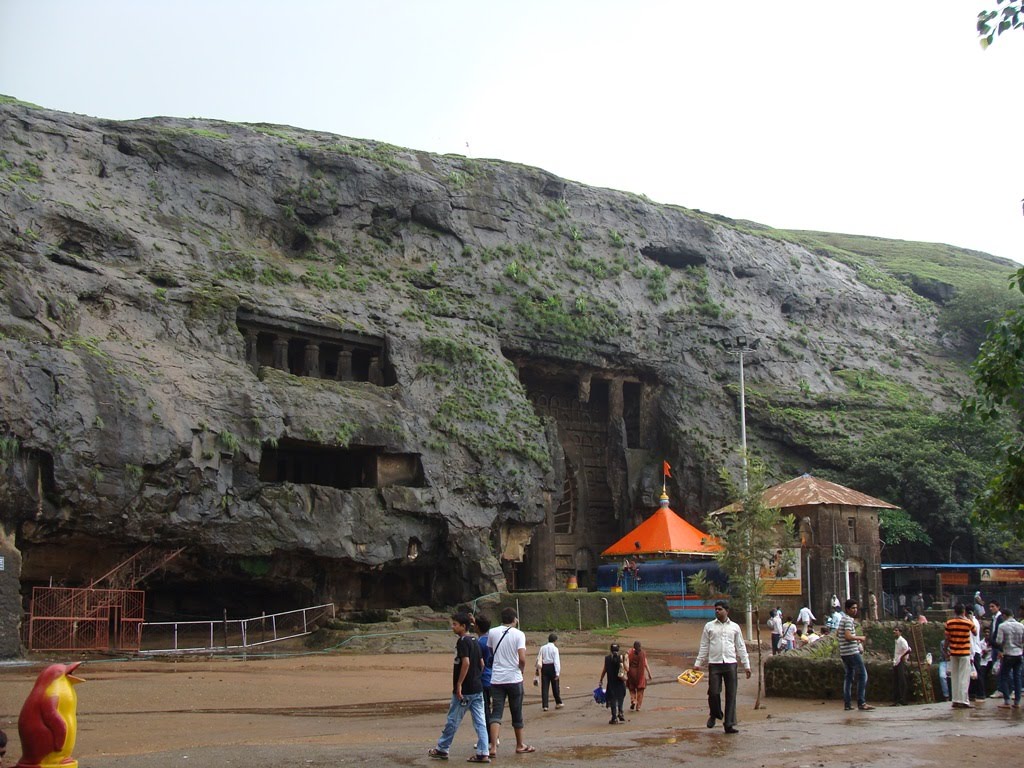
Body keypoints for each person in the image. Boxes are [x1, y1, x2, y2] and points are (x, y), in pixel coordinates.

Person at [428, 612, 490, 762]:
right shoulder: (475, 640)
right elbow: (481, 664)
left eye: (455, 624)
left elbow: (466, 662)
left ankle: (442, 748)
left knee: (453, 719)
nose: (452, 627)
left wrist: (460, 684)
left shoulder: (463, 641)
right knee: (480, 721)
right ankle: (483, 752)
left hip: (466, 690)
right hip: (477, 688)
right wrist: (476, 678)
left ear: (463, 626)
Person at [693, 600, 750, 734]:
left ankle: (728, 724)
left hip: (730, 663)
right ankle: (715, 713)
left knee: (731, 694)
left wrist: (746, 665)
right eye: (716, 609)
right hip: (714, 663)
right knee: (713, 692)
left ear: (726, 611)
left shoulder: (735, 627)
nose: (717, 611)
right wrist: (698, 663)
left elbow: (740, 646)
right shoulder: (709, 626)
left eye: (719, 609)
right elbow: (704, 645)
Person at [487, 607, 534, 756]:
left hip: (497, 678)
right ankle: (519, 744)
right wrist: (521, 669)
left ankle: (493, 747)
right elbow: (522, 658)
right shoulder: (519, 634)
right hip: (514, 678)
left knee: (496, 712)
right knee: (516, 711)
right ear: (514, 619)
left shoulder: (492, 632)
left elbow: (490, 651)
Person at [838, 598, 874, 711]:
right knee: (863, 675)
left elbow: (839, 634)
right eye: (853, 608)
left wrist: (855, 641)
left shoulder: (843, 619)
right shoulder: (848, 620)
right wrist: (860, 638)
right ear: (847, 609)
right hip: (851, 652)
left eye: (856, 608)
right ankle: (861, 702)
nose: (855, 610)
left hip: (844, 652)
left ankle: (848, 704)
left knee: (849, 677)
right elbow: (847, 636)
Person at [944, 603, 977, 709]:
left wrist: (945, 649)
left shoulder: (949, 623)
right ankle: (963, 700)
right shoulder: (968, 622)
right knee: (964, 677)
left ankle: (955, 700)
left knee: (955, 677)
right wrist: (971, 619)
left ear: (954, 611)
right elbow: (975, 633)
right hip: (965, 653)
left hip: (953, 652)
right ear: (964, 611)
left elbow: (947, 638)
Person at [995, 606, 1024, 708]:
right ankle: (1017, 701)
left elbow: (999, 641)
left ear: (1004, 615)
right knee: (1017, 677)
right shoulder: (1021, 626)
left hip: (1008, 654)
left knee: (1003, 676)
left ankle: (1007, 700)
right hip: (1019, 654)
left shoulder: (1002, 626)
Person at [598, 643, 627, 724]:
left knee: (613, 700)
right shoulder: (621, 658)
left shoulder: (607, 659)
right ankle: (620, 712)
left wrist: (601, 679)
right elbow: (625, 668)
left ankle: (614, 717)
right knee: (621, 697)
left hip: (611, 683)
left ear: (610, 650)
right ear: (618, 650)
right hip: (620, 682)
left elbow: (604, 670)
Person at [535, 633, 562, 711]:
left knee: (545, 687)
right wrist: (557, 672)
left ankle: (545, 705)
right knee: (555, 686)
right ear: (555, 640)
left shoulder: (542, 648)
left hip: (544, 667)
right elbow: (556, 661)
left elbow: (538, 658)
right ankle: (558, 702)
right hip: (552, 667)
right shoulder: (555, 649)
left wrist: (537, 669)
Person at [626, 640, 653, 711]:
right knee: (640, 691)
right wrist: (649, 673)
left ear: (633, 646)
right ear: (640, 646)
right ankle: (638, 707)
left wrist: (626, 672)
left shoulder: (630, 652)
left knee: (632, 689)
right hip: (640, 674)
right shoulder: (642, 653)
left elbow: (626, 662)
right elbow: (645, 664)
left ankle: (633, 700)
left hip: (631, 673)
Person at [475, 614, 493, 718]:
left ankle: (488, 732)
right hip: (494, 677)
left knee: (484, 708)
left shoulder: (479, 642)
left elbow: (478, 663)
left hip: (483, 678)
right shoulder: (492, 639)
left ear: (477, 626)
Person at [892, 626, 911, 705]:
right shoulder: (897, 641)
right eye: (894, 631)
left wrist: (902, 657)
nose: (894, 632)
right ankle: (897, 699)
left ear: (900, 632)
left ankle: (903, 699)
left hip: (900, 661)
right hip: (896, 661)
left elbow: (908, 649)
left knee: (902, 680)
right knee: (896, 681)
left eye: (896, 630)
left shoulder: (902, 641)